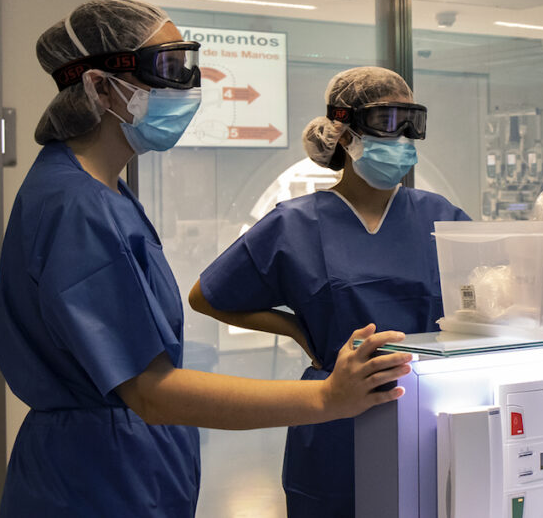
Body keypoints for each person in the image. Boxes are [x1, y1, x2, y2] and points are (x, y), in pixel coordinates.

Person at [0, 0, 412, 517]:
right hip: (93, 482)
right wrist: (327, 398)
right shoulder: (75, 206)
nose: (188, 84)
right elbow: (152, 391)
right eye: (168, 67)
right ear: (100, 86)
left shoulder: (106, 194)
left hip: (126, 468)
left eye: (188, 64)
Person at [189, 66, 470, 517]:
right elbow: (206, 296)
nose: (402, 138)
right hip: (334, 419)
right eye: (387, 122)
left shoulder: (439, 216)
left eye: (410, 124)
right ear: (344, 132)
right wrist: (296, 329)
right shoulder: (294, 224)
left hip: (426, 405)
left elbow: (483, 296)